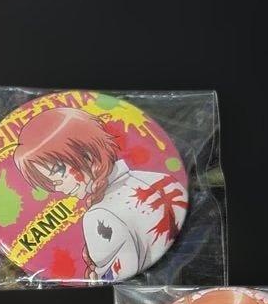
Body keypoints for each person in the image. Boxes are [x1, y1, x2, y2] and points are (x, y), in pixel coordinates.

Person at [13, 106, 187, 280]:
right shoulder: (163, 179)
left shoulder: (100, 216)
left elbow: (113, 276)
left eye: (59, 171)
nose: (57, 186)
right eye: (49, 181)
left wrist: (94, 277)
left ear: (87, 154)